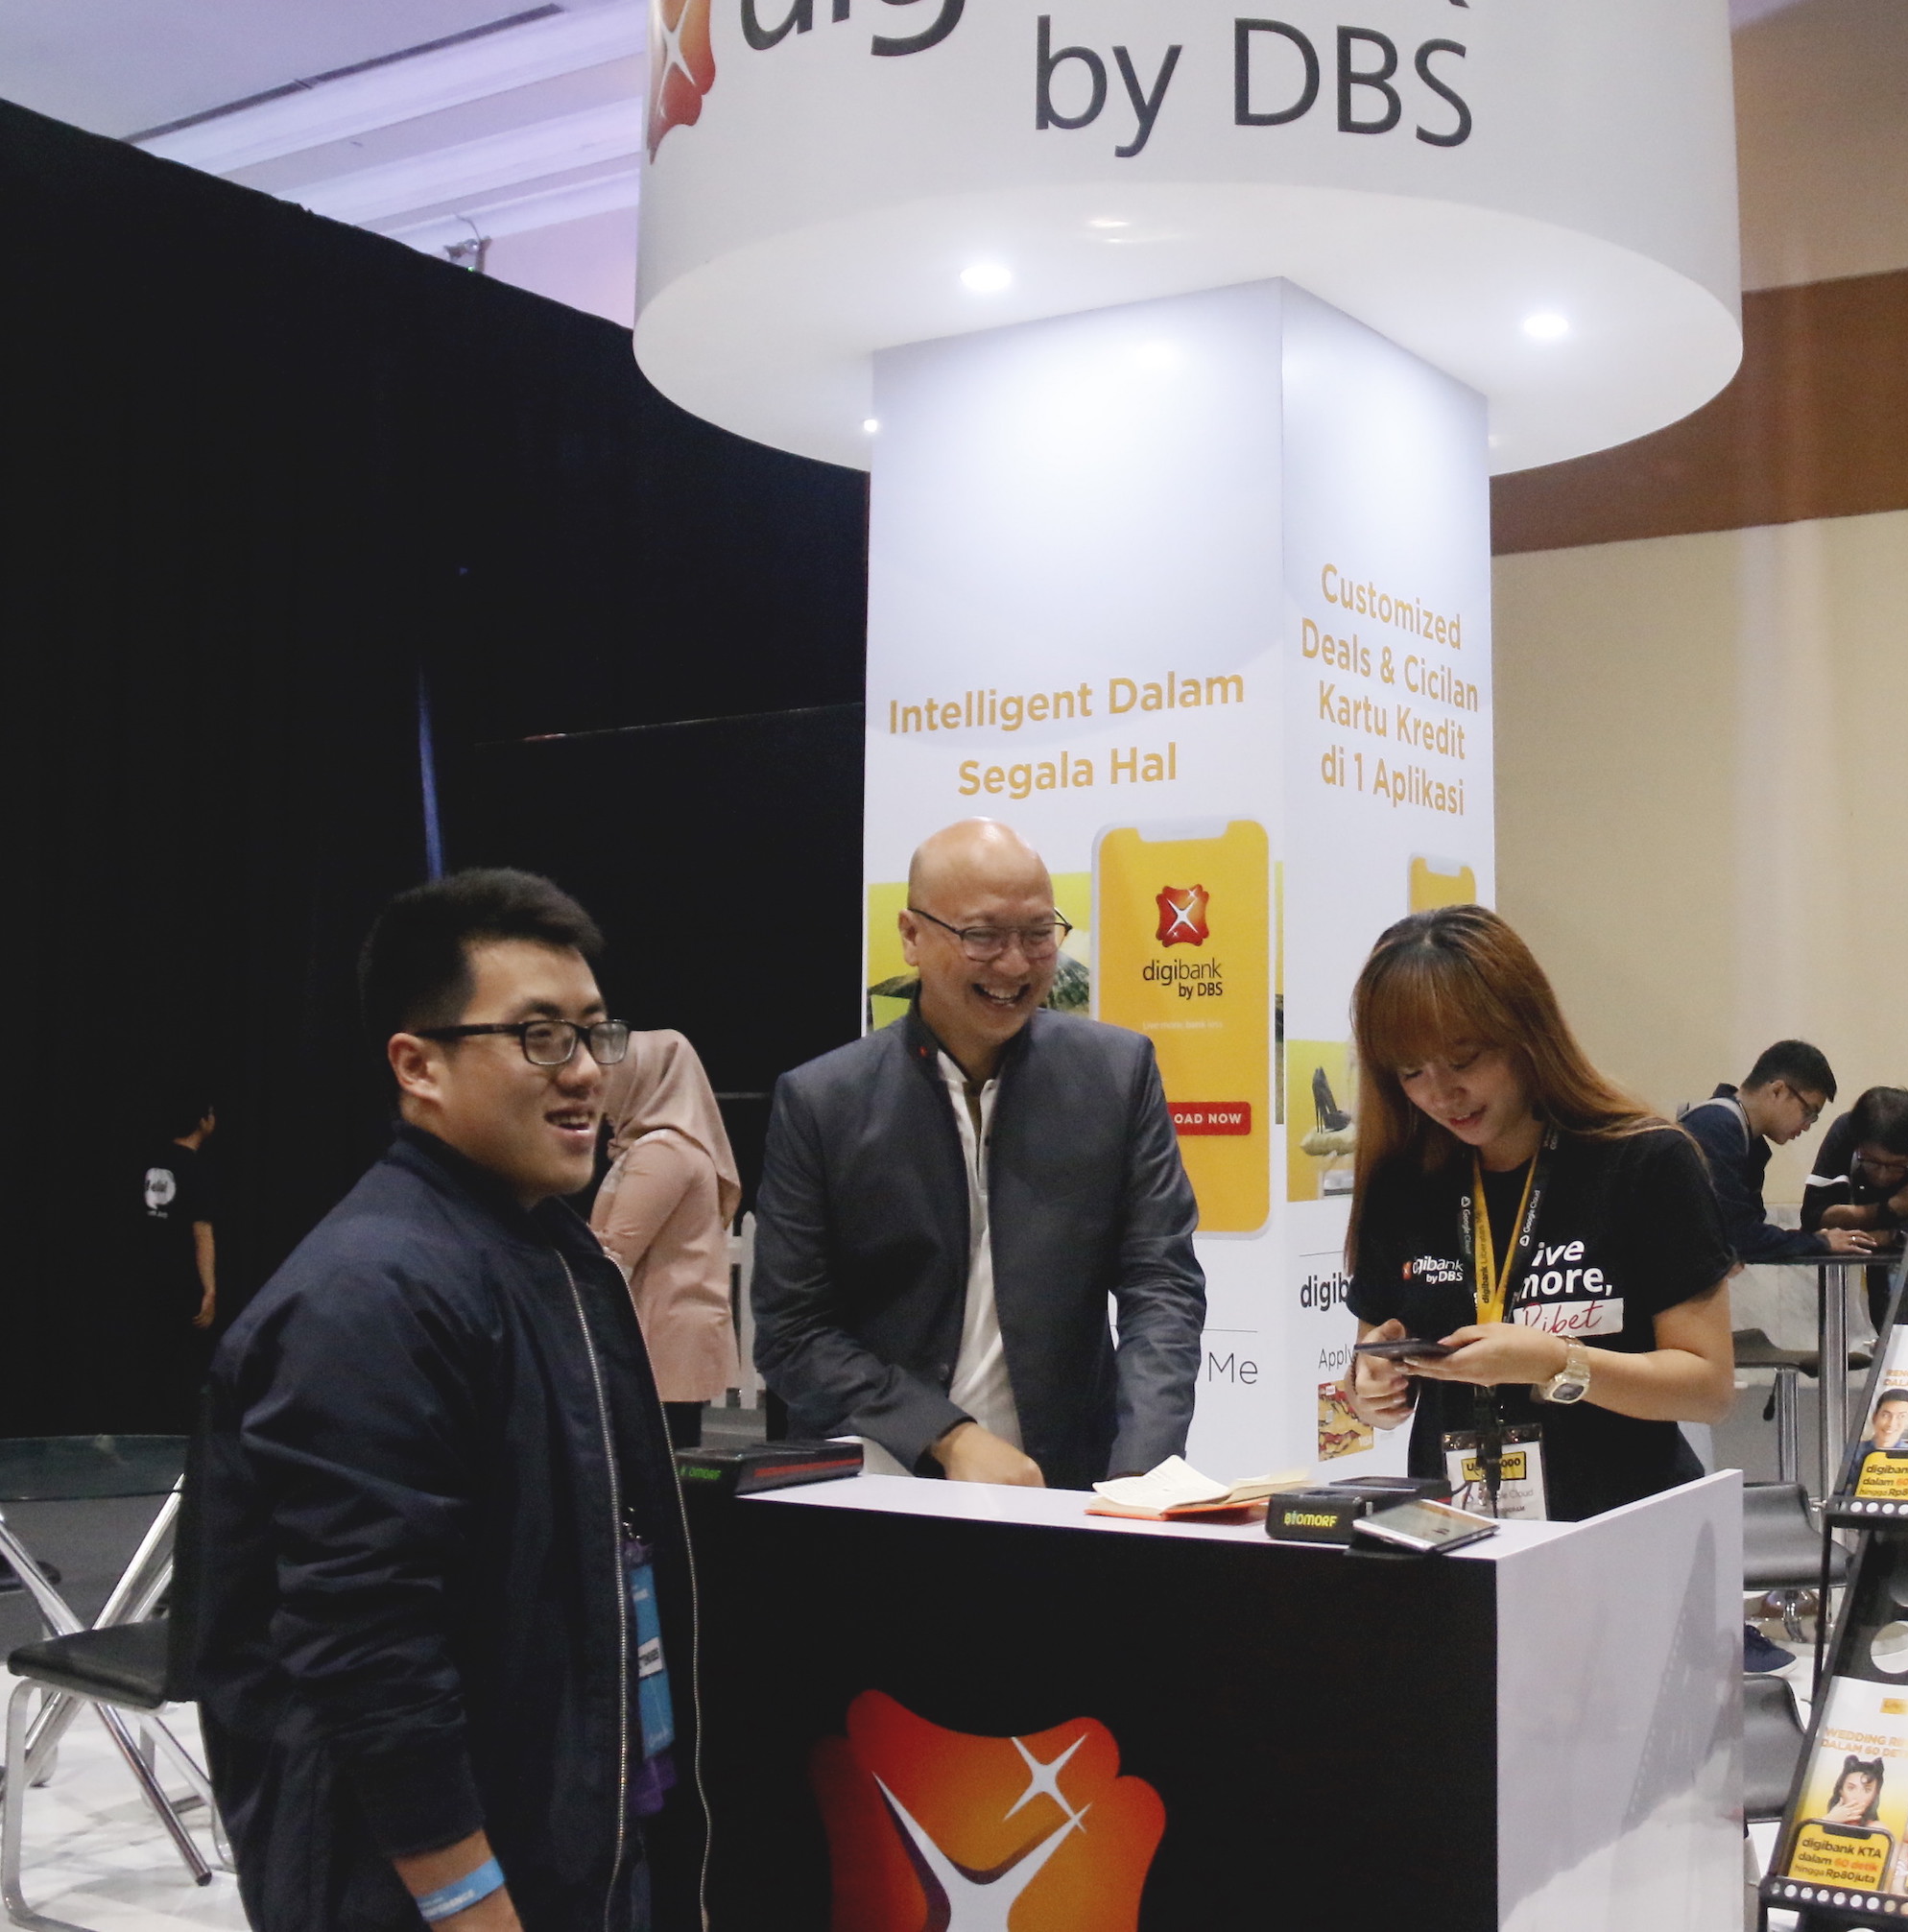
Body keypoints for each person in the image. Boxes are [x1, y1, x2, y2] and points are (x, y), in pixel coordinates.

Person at [194, 870, 699, 1932]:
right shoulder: (367, 1294)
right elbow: (368, 1652)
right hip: (436, 1886)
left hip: (571, 1839)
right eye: (539, 1036)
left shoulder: (546, 1251)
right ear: (417, 1064)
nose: (584, 1071)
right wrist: (468, 1902)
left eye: (595, 1033)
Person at [751, 820, 1205, 1490]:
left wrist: (1142, 1471)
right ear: (911, 935)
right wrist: (947, 1436)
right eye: (984, 936)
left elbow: (1161, 1284)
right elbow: (793, 1332)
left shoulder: (1116, 1074)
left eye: (1038, 933)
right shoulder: (824, 1101)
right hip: (884, 1483)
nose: (1016, 965)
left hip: (1073, 1485)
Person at [1343, 904, 1735, 1523]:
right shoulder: (1402, 1183)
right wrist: (1371, 1388)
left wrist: (1556, 1362)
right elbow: (1370, 1359)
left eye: (1465, 1059)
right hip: (1459, 1536)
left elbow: (1707, 1389)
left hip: (1623, 1531)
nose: (1441, 1094)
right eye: (1411, 1072)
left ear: (1526, 1033)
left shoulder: (1645, 1162)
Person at [594, 1029, 741, 1449]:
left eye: (614, 1078)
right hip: (672, 1331)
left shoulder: (663, 1151)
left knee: (658, 1460)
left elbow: (616, 1251)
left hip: (661, 1335)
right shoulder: (672, 1147)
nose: (601, 1095)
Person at [1681, 1041, 1855, 1263]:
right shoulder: (1716, 1128)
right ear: (1777, 1090)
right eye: (1808, 1111)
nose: (1807, 1126)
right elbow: (1739, 1237)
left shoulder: (1739, 1133)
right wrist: (1820, 1242)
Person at [125, 1081, 219, 1430]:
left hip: (145, 1275)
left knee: (149, 1357)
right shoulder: (196, 1169)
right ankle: (179, 1432)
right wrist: (209, 1289)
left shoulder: (152, 1161)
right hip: (181, 1280)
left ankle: (140, 1426)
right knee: (183, 1362)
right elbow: (202, 1232)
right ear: (202, 1120)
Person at [1799, 1086, 1908, 1250]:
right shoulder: (1846, 1129)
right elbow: (1813, 1219)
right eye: (1872, 1162)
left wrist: (1884, 1235)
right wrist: (1892, 1208)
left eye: (1897, 1165)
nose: (1882, 1175)